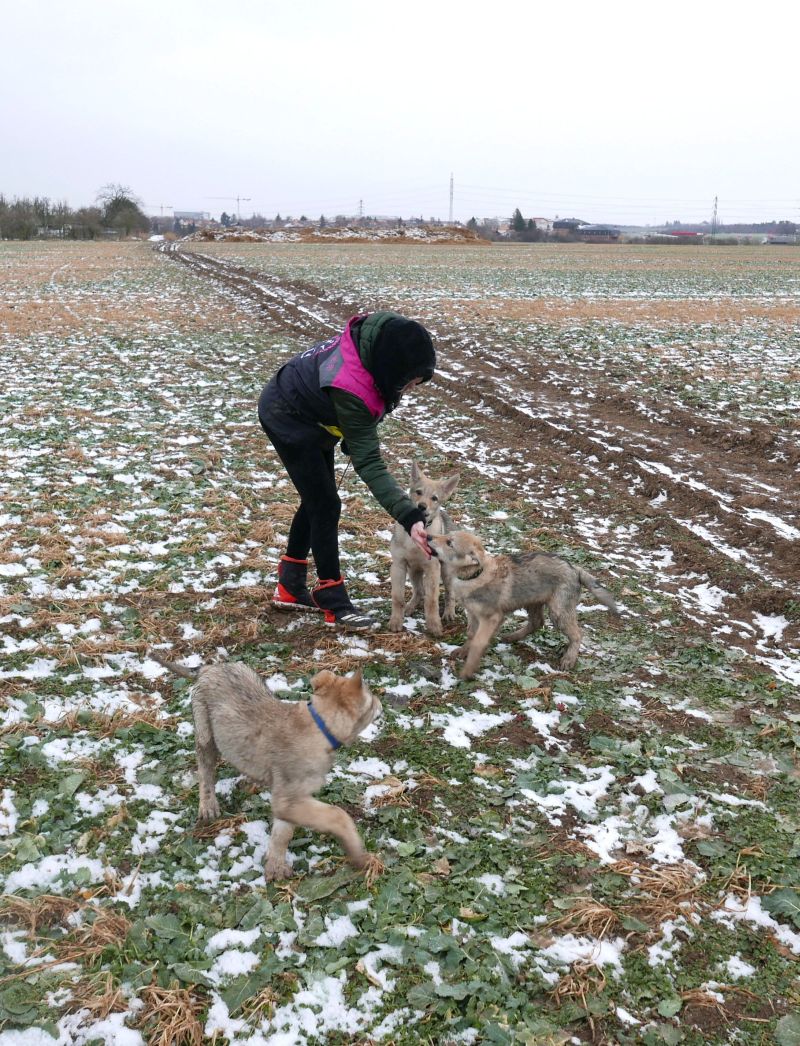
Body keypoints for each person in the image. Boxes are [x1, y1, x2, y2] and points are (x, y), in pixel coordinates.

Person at [258, 311, 435, 631]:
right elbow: (369, 463)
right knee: (325, 503)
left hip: (311, 410)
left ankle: (290, 585)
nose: (409, 389)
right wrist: (410, 516)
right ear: (391, 369)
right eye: (408, 382)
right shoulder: (352, 387)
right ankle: (332, 596)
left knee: (318, 497)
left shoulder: (378, 349)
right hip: (287, 413)